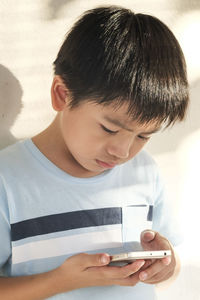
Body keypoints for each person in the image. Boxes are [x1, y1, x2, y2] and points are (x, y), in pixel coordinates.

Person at [0, 5, 189, 300]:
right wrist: (60, 281)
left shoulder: (143, 171)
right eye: (109, 129)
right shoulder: (7, 179)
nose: (122, 151)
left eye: (143, 136)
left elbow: (172, 263)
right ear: (62, 94)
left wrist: (166, 266)